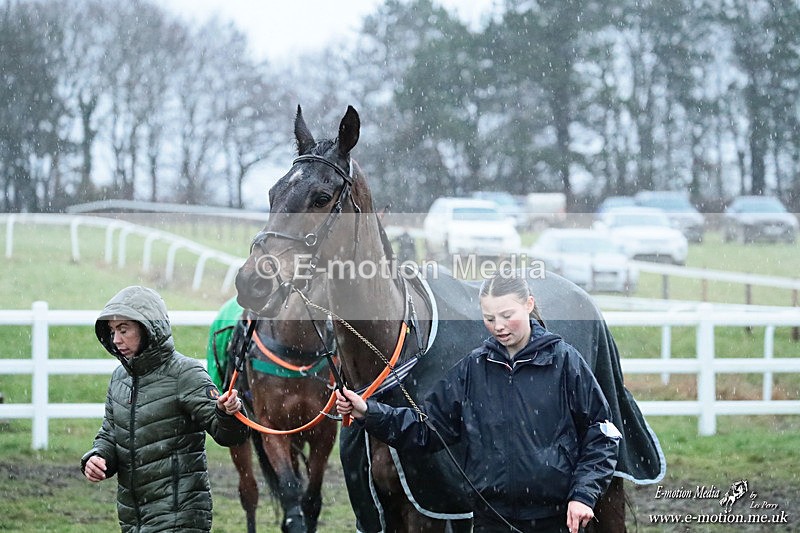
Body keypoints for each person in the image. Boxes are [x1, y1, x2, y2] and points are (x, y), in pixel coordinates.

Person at [336, 271, 621, 533]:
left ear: (529, 304)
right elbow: (426, 428)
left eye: (507, 315)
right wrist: (367, 411)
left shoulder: (566, 362)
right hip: (490, 520)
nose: (499, 327)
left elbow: (602, 434)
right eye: (489, 318)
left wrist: (584, 496)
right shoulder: (473, 369)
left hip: (555, 520)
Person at [81, 286, 249, 532]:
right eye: (113, 331)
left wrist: (228, 412)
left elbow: (232, 435)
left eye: (124, 329)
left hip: (181, 519)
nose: (116, 340)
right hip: (133, 521)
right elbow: (110, 435)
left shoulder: (185, 373)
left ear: (148, 328)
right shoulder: (119, 378)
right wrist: (97, 457)